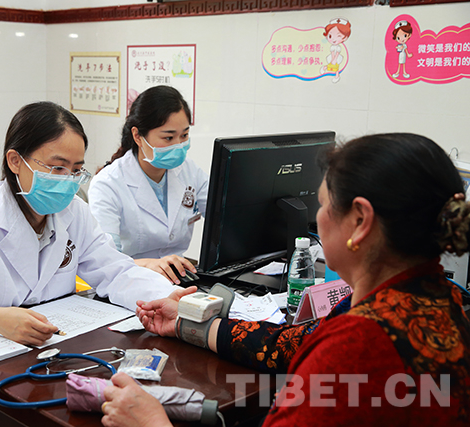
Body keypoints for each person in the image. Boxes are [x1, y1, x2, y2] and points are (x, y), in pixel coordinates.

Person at [100, 133, 470, 427]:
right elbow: (293, 344)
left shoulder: (358, 344)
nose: (316, 219)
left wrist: (151, 421)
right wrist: (187, 324)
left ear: (360, 221)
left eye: (323, 204)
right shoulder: (441, 296)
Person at [0, 102, 189, 427]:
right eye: (57, 168)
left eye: (76, 170)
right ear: (15, 160)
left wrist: (170, 298)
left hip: (40, 369)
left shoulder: (74, 214)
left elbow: (117, 272)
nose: (68, 181)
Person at [88, 85, 209, 285]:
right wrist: (146, 264)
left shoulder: (189, 171)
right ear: (138, 136)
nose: (178, 145)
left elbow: (222, 218)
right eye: (168, 137)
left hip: (179, 278)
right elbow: (105, 259)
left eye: (184, 135)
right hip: (128, 281)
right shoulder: (108, 184)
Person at [319, 18, 351, 83]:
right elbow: (332, 52)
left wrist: (334, 59)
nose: (334, 39)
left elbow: (337, 54)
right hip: (332, 57)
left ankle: (336, 76)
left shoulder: (338, 48)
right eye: (330, 36)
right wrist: (332, 59)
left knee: (336, 67)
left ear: (345, 37)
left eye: (338, 36)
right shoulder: (332, 47)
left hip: (337, 57)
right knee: (331, 65)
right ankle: (324, 68)